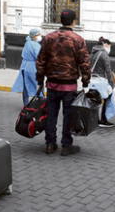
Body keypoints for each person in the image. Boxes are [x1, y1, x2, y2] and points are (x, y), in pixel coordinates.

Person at [36, 9, 90, 156]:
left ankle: (50, 144)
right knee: (68, 116)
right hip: (69, 85)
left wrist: (40, 79)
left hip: (52, 84)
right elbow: (84, 63)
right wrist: (86, 81)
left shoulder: (48, 38)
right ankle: (66, 145)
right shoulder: (78, 40)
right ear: (73, 21)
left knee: (51, 115)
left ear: (60, 20)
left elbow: (41, 60)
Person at [90, 37, 115, 128]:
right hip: (101, 80)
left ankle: (95, 120)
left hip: (92, 80)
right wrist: (111, 84)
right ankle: (103, 120)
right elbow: (108, 70)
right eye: (110, 46)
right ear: (105, 45)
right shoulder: (104, 54)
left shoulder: (93, 52)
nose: (110, 49)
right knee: (107, 98)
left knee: (95, 100)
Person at [11, 28, 42, 106]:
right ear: (34, 36)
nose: (40, 36)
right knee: (38, 86)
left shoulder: (27, 43)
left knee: (26, 86)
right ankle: (40, 104)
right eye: (38, 34)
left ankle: (26, 104)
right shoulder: (35, 45)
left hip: (24, 66)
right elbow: (39, 57)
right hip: (33, 68)